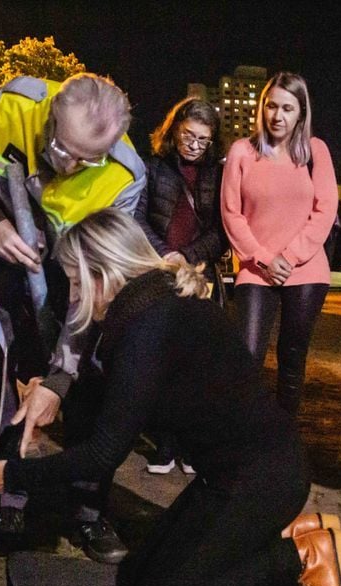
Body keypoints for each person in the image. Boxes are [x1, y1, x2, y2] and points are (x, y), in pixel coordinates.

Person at [0, 208, 341, 586]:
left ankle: (296, 560)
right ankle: (276, 538)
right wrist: (54, 388)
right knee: (136, 573)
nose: (76, 298)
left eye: (77, 283)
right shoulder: (159, 300)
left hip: (261, 480)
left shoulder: (144, 332)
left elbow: (103, 454)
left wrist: (14, 475)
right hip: (241, 474)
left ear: (104, 274)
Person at [0, 72, 146, 564]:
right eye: (66, 149)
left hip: (71, 288)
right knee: (3, 389)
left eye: (88, 158)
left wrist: (60, 377)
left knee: (86, 398)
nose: (73, 166)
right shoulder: (9, 105)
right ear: (52, 114)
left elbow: (95, 287)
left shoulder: (123, 177)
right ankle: (4, 498)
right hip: (3, 270)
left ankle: (87, 511)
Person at [221, 72, 339, 415]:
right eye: (271, 106)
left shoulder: (315, 151)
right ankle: (243, 436)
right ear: (262, 107)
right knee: (247, 356)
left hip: (307, 270)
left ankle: (281, 440)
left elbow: (325, 209)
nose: (277, 116)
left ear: (301, 112)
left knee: (291, 357)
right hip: (256, 270)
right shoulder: (242, 151)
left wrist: (289, 256)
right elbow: (231, 213)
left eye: (287, 108)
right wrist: (263, 259)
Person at [133, 97, 227, 474]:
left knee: (198, 364)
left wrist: (187, 256)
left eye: (203, 140)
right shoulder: (152, 168)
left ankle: (191, 444)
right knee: (160, 361)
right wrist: (165, 255)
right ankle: (165, 443)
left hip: (199, 273)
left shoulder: (217, 175)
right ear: (173, 129)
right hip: (157, 269)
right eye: (188, 135)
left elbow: (223, 229)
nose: (194, 145)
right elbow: (136, 217)